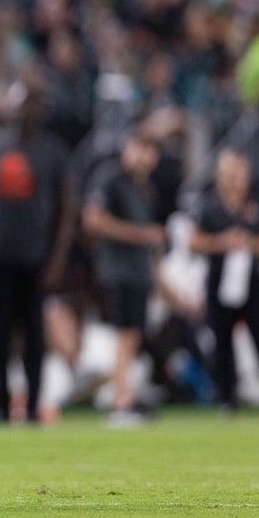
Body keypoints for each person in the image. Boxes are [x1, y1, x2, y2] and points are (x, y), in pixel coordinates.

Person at [0, 78, 75, 424]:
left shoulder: (53, 152)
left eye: (32, 104)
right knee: (1, 335)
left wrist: (57, 260)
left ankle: (32, 404)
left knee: (34, 334)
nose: (25, 111)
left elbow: (65, 213)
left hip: (36, 258)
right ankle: (3, 404)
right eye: (21, 104)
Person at [82, 127, 165, 427]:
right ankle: (119, 401)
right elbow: (93, 220)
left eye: (149, 150)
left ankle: (125, 395)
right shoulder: (110, 178)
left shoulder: (145, 189)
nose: (143, 156)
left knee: (133, 334)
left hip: (139, 271)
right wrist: (140, 235)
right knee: (123, 334)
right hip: (118, 269)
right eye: (139, 148)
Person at [189, 148, 259, 413]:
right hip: (219, 280)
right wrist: (221, 242)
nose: (234, 178)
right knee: (222, 341)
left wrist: (249, 243)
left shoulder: (255, 204)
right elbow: (193, 242)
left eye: (239, 172)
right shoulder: (209, 205)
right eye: (230, 172)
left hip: (251, 281)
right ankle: (227, 398)